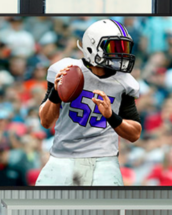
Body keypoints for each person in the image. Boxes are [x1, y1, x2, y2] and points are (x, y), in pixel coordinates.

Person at [37, 19, 142, 186]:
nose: (121, 54)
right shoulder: (66, 70)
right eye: (114, 47)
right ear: (92, 46)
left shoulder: (124, 82)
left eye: (124, 48)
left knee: (108, 211)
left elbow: (135, 134)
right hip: (63, 154)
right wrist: (56, 94)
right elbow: (45, 121)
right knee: (40, 208)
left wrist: (111, 116)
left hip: (104, 157)